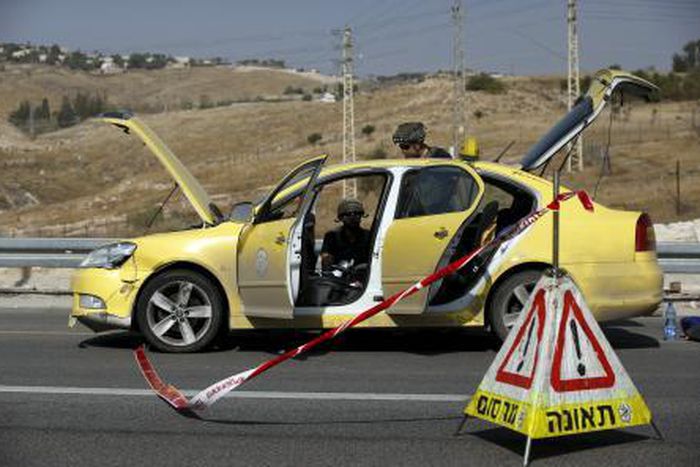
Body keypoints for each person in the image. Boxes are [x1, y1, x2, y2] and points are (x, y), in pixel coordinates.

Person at [321, 198, 371, 271]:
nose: (352, 217)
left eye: (356, 213)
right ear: (340, 218)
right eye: (348, 214)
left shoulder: (369, 236)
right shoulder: (332, 236)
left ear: (361, 216)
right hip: (338, 278)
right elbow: (326, 264)